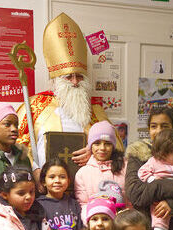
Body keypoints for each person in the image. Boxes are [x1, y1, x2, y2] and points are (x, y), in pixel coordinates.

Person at [16, 13, 123, 182]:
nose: (75, 82)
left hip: (87, 187)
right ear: (55, 80)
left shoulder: (94, 110)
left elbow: (117, 147)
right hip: (46, 188)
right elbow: (17, 146)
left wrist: (94, 152)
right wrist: (35, 171)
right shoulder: (35, 106)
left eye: (79, 76)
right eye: (68, 77)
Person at [74, 121, 127, 224]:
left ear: (113, 146)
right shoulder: (83, 173)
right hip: (96, 228)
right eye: (97, 143)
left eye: (107, 144)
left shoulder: (126, 167)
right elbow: (83, 204)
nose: (102, 148)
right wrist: (92, 223)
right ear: (90, 146)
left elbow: (131, 202)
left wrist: (126, 222)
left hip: (123, 227)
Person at [36, 158, 84, 230]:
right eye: (52, 177)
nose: (57, 180)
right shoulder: (38, 205)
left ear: (68, 180)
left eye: (62, 177)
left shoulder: (74, 204)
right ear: (44, 181)